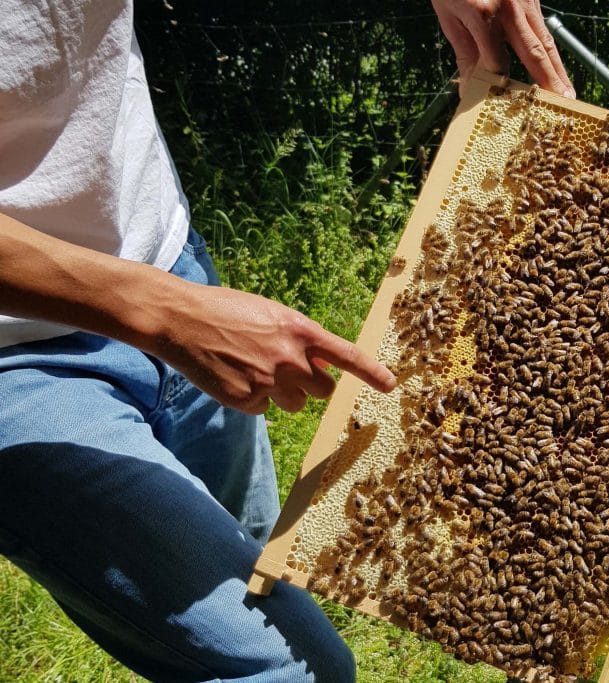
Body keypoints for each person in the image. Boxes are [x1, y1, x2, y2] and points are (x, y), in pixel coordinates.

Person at [0, 0, 572, 680]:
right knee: (293, 667)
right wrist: (167, 314)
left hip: (163, 252)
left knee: (259, 565)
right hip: (22, 356)